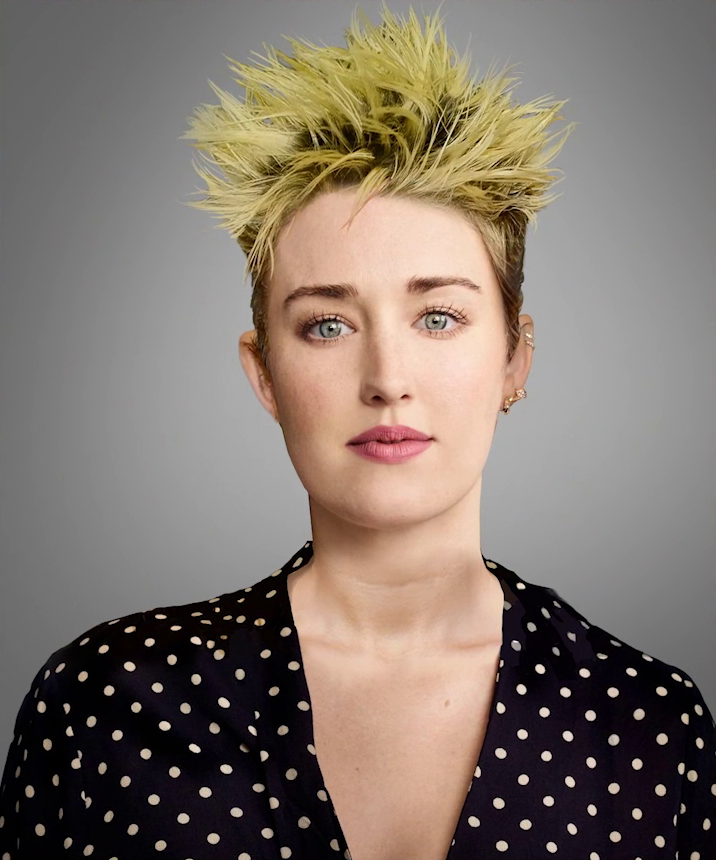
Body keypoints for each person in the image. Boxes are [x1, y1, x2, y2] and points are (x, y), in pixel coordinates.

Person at [1, 3, 713, 859]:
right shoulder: (107, 704)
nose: (386, 380)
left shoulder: (648, 726)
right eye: (327, 326)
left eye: (439, 317)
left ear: (516, 360)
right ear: (263, 370)